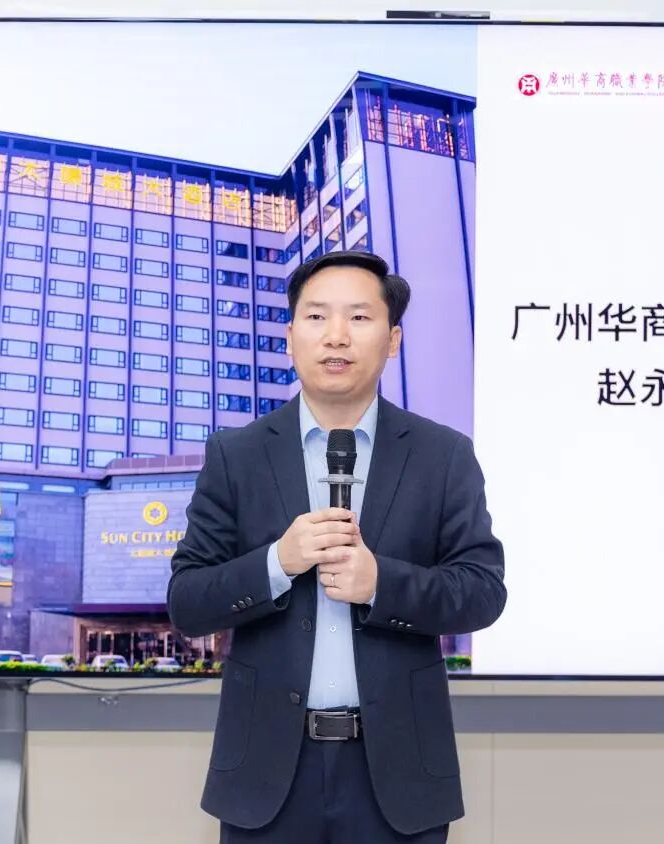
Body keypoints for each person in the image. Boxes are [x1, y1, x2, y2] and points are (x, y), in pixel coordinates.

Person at [168, 250, 506, 843]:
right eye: (317, 316)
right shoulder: (237, 455)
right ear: (290, 337)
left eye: (359, 317)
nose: (337, 336)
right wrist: (277, 563)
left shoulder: (442, 455)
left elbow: (481, 592)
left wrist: (381, 584)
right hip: (267, 774)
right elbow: (188, 602)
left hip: (397, 775)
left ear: (392, 339)